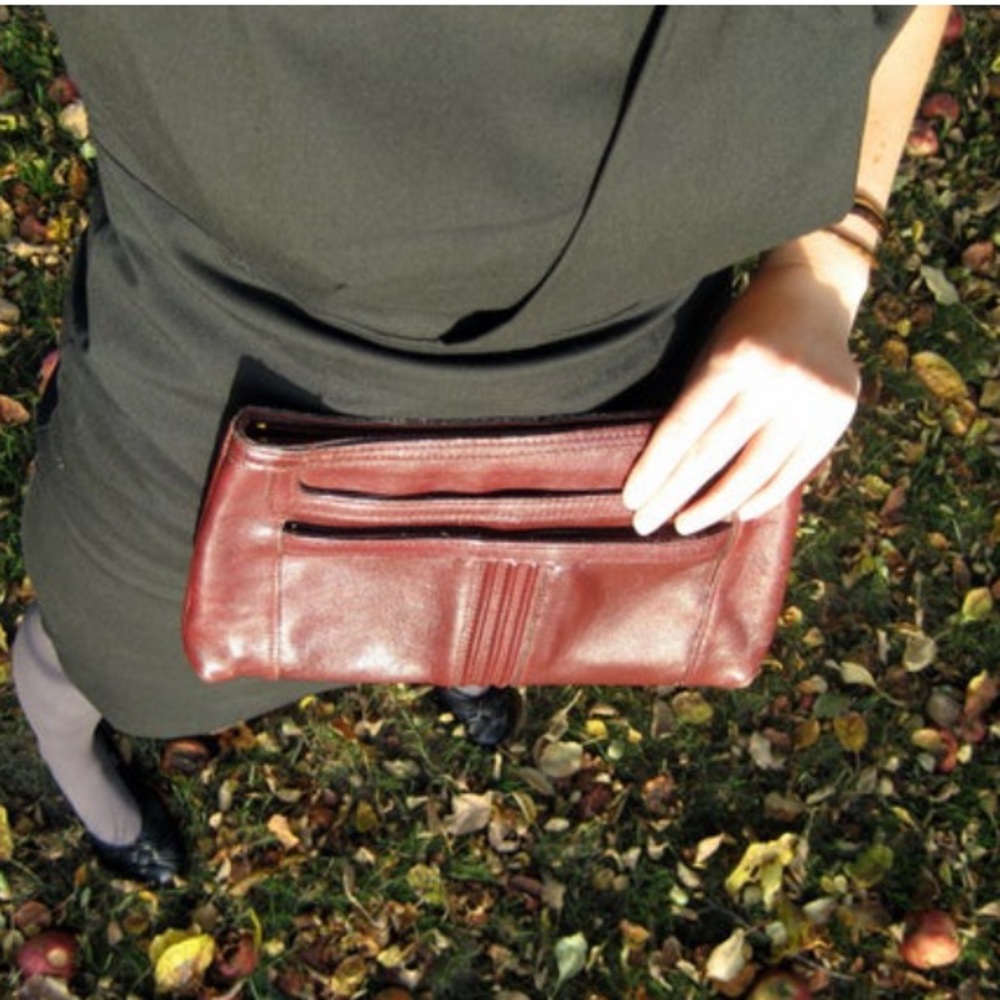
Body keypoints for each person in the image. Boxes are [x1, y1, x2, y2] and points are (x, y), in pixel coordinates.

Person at [12, 7, 948, 887]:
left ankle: (455, 647)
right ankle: (82, 779)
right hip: (205, 441)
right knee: (100, 666)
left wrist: (827, 264)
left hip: (595, 451)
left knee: (474, 605)